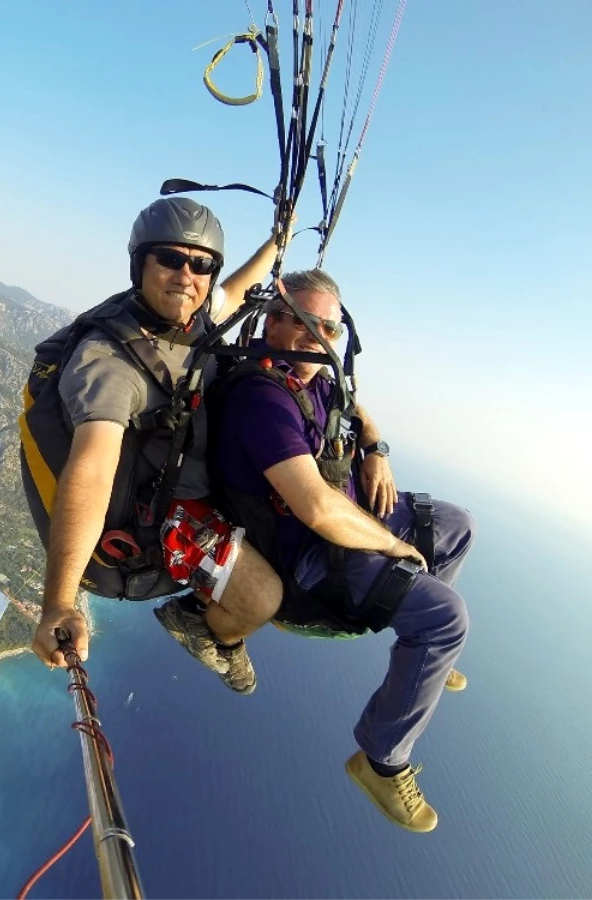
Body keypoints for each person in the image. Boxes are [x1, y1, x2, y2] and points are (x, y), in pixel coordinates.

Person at [208, 268, 475, 832]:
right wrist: (396, 547)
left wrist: (376, 448)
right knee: (446, 618)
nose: (316, 337)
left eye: (327, 327)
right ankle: (381, 759)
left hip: (353, 517)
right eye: (303, 324)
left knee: (456, 524)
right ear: (274, 322)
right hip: (314, 555)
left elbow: (355, 408)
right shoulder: (263, 395)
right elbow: (317, 510)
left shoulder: (318, 377)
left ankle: (421, 654)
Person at [29, 197, 286, 693]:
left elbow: (230, 295)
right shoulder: (109, 363)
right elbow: (92, 472)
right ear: (139, 264)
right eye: (170, 259)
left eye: (201, 263)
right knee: (263, 598)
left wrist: (278, 240)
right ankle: (200, 626)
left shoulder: (190, 319)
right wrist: (59, 602)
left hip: (196, 472)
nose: (186, 275)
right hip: (165, 515)